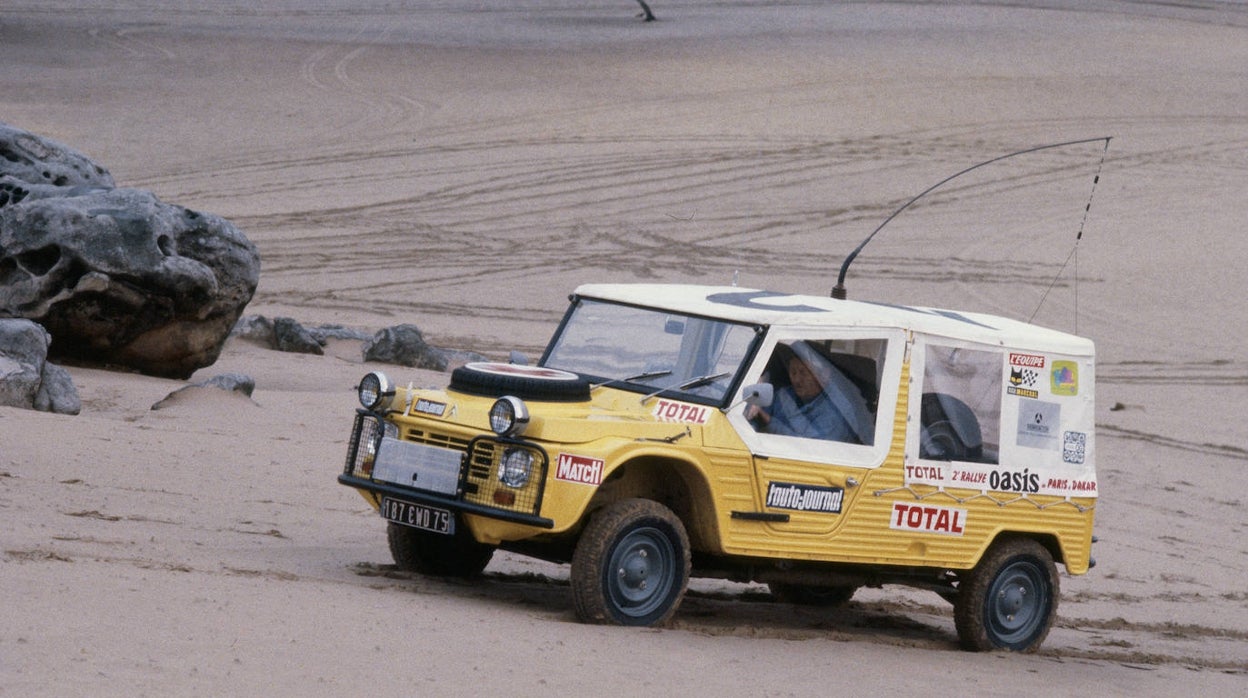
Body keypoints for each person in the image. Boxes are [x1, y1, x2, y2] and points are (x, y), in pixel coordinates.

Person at [748, 342, 874, 445]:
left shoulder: (838, 410)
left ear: (823, 375)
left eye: (803, 372)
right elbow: (752, 417)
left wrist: (766, 420)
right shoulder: (784, 394)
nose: (796, 379)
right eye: (793, 372)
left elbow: (808, 447)